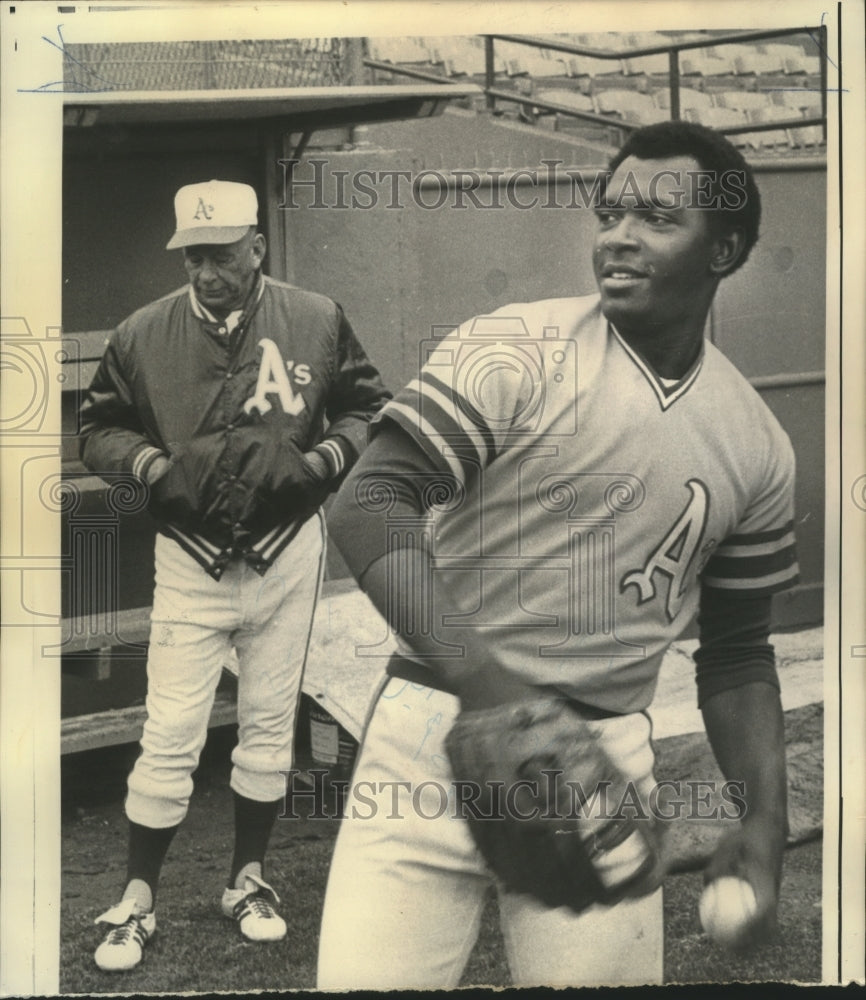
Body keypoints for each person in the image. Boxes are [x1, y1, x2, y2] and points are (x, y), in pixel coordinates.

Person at [317, 122, 799, 988]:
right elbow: (369, 502)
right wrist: (491, 692)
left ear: (722, 249)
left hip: (602, 762)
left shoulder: (756, 444)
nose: (618, 235)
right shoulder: (519, 346)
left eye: (657, 217)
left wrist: (763, 816)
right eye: (611, 212)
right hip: (436, 731)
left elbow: (736, 655)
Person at [78, 179, 391, 972]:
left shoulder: (315, 316)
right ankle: (137, 898)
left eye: (220, 253)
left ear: (257, 247)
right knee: (171, 730)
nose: (205, 270)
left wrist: (326, 456)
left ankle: (247, 879)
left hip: (287, 547)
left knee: (266, 724)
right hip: (191, 553)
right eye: (193, 254)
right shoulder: (145, 330)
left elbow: (366, 404)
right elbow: (99, 425)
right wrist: (146, 461)